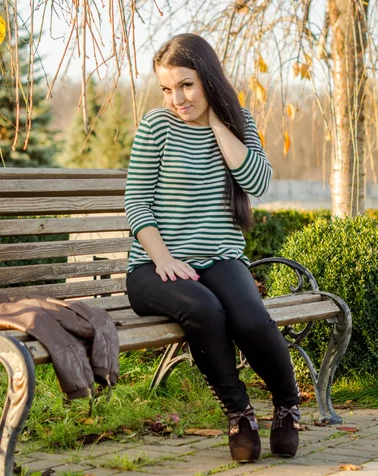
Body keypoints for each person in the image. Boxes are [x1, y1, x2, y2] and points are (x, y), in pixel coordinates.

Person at [124, 33, 301, 463]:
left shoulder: (238, 119)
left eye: (186, 85)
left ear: (208, 78)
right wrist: (163, 259)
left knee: (251, 319)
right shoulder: (156, 127)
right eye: (167, 89)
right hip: (154, 266)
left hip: (221, 257)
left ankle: (287, 405)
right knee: (206, 310)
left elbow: (257, 182)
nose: (177, 99)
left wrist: (220, 121)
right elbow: (136, 202)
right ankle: (239, 413)